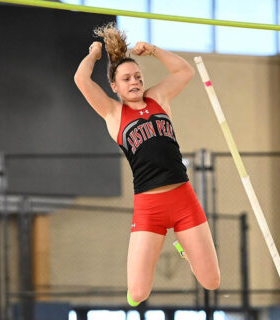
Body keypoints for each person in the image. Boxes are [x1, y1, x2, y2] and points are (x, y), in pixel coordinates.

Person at [74, 22, 220, 307]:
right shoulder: (113, 113)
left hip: (184, 199)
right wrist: (93, 54)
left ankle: (184, 249)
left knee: (211, 282)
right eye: (127, 79)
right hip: (149, 208)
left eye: (138, 76)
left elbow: (184, 71)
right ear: (115, 86)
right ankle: (164, 261)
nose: (134, 82)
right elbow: (82, 80)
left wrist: (153, 50)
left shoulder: (159, 98)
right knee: (138, 295)